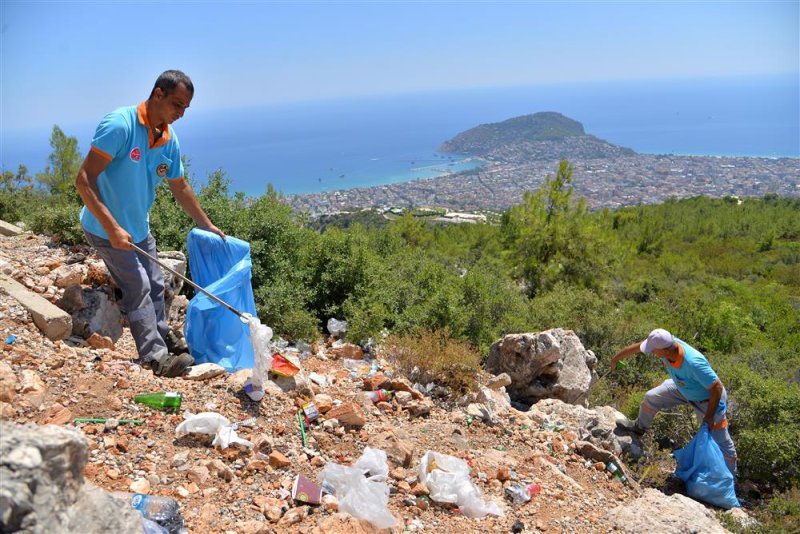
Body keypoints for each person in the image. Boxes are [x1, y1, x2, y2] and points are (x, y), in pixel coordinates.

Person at [75, 70, 225, 378]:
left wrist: (205, 223)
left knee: (157, 284)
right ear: (158, 94)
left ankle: (161, 334)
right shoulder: (120, 125)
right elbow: (84, 179)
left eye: (185, 108)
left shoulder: (168, 138)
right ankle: (154, 358)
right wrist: (113, 227)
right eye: (177, 104)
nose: (181, 113)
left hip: (138, 228)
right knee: (138, 285)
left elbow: (179, 185)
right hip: (106, 227)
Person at [611, 328, 737, 474]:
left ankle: (730, 478)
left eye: (653, 350)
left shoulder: (693, 363)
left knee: (721, 440)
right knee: (651, 398)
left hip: (708, 398)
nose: (651, 352)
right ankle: (639, 427)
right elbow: (637, 347)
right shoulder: (665, 343)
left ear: (665, 351)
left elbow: (716, 387)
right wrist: (616, 358)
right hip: (683, 386)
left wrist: (709, 417)